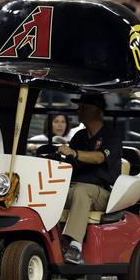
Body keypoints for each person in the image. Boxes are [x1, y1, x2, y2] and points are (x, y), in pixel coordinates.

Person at [55, 94, 122, 265]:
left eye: (84, 107)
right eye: (79, 106)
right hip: (74, 187)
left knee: (81, 191)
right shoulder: (79, 136)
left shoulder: (111, 135)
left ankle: (75, 247)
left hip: (102, 192)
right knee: (48, 191)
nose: (79, 110)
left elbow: (99, 158)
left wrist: (74, 153)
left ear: (98, 111)